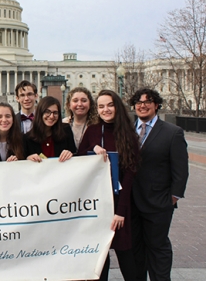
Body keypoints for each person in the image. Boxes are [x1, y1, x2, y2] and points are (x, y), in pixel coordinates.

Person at [77, 89, 140, 281]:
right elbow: (78, 159)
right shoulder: (93, 131)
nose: (106, 109)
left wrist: (121, 211)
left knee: (126, 256)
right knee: (100, 257)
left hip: (120, 203)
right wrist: (91, 148)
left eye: (110, 105)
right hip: (98, 203)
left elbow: (130, 173)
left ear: (117, 107)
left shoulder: (129, 134)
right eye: (101, 106)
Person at [129, 88, 188, 281]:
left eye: (148, 101)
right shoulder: (126, 130)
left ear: (156, 105)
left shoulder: (172, 132)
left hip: (158, 201)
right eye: (139, 102)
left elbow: (180, 170)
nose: (142, 105)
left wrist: (173, 197)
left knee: (157, 247)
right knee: (135, 248)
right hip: (130, 201)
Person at [24, 96, 75, 162]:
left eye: (55, 113)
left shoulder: (66, 130)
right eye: (47, 112)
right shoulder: (27, 138)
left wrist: (70, 154)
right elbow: (23, 162)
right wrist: (28, 159)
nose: (51, 116)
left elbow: (75, 154)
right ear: (40, 113)